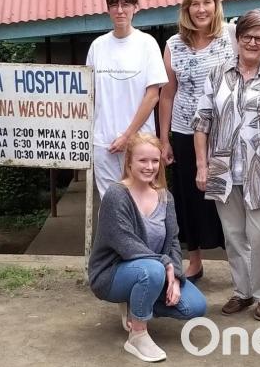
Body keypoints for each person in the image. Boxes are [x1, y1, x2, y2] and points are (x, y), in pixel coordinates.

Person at [192, 8, 260, 322]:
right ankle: (243, 292)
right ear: (238, 37)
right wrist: (201, 167)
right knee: (233, 235)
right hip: (222, 170)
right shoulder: (217, 73)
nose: (254, 42)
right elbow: (201, 122)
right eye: (248, 35)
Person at [88, 133, 207, 363]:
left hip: (155, 270)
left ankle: (136, 303)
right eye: (143, 160)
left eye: (155, 161)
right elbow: (127, 245)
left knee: (195, 307)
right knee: (152, 270)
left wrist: (175, 277)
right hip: (112, 274)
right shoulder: (116, 195)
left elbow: (173, 241)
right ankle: (138, 334)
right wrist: (166, 267)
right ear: (129, 162)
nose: (150, 166)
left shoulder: (165, 197)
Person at [158, 0, 235, 282]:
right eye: (195, 3)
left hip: (222, 131)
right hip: (184, 131)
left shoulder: (229, 37)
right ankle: (195, 260)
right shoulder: (174, 44)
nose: (201, 9)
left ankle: (237, 264)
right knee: (189, 197)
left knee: (226, 197)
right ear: (186, 9)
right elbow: (167, 94)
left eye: (207, 2)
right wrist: (164, 139)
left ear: (215, 5)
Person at [86, 0, 168, 200]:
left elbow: (153, 96)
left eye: (126, 4)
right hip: (104, 142)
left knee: (143, 199)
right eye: (114, 5)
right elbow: (89, 95)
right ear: (108, 10)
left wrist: (128, 136)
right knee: (111, 202)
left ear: (135, 8)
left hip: (140, 142)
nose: (120, 10)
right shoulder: (97, 46)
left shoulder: (147, 44)